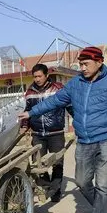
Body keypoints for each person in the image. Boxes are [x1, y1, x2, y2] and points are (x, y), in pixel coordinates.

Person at [18, 46, 107, 213]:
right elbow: (55, 101)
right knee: (82, 181)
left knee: (103, 182)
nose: (82, 68)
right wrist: (31, 112)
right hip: (84, 140)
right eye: (80, 64)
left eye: (85, 64)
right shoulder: (75, 84)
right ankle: (101, 205)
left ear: (99, 62)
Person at [20, 63, 74, 203]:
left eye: (39, 76)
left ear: (46, 75)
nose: (37, 79)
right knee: (39, 165)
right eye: (35, 76)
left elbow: (69, 106)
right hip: (37, 134)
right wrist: (24, 125)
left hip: (55, 132)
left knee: (57, 163)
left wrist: (79, 122)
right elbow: (27, 110)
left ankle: (55, 191)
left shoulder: (58, 89)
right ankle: (46, 188)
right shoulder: (30, 92)